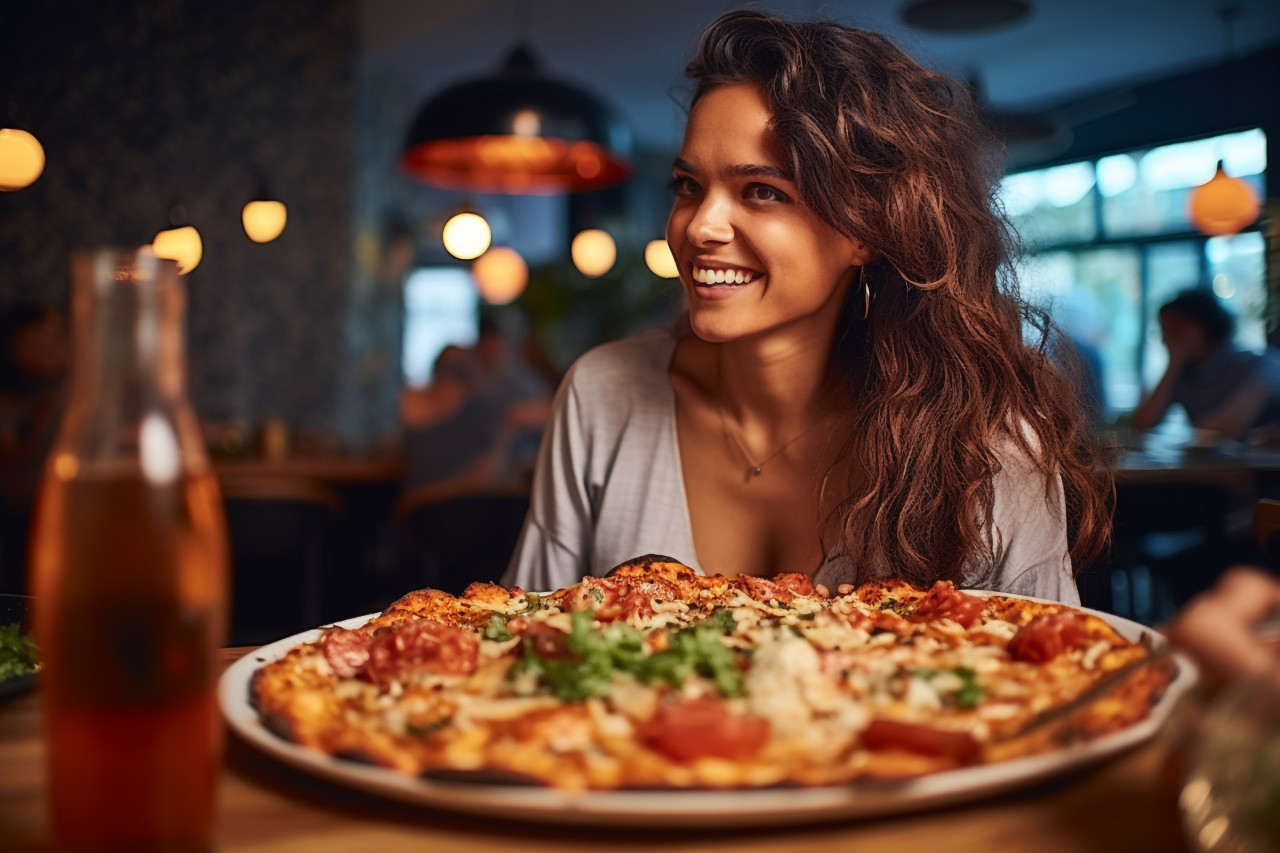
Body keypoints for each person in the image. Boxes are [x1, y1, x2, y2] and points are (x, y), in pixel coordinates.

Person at [501, 11, 1110, 603]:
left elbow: (1062, 679)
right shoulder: (601, 396)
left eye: (763, 191)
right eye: (689, 186)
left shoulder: (984, 446)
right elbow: (509, 644)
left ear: (867, 229)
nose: (699, 227)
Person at [1132, 288, 1280, 441]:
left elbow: (1220, 429)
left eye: (1177, 330)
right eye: (1164, 332)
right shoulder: (1182, 375)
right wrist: (1173, 366)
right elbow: (1143, 423)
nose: (1168, 340)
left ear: (1206, 326)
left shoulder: (1255, 365)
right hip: (1219, 464)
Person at [0, 301, 70, 592]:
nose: (51, 348)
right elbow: (15, 473)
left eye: (56, 337)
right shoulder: (10, 403)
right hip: (21, 526)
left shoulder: (70, 391)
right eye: (37, 340)